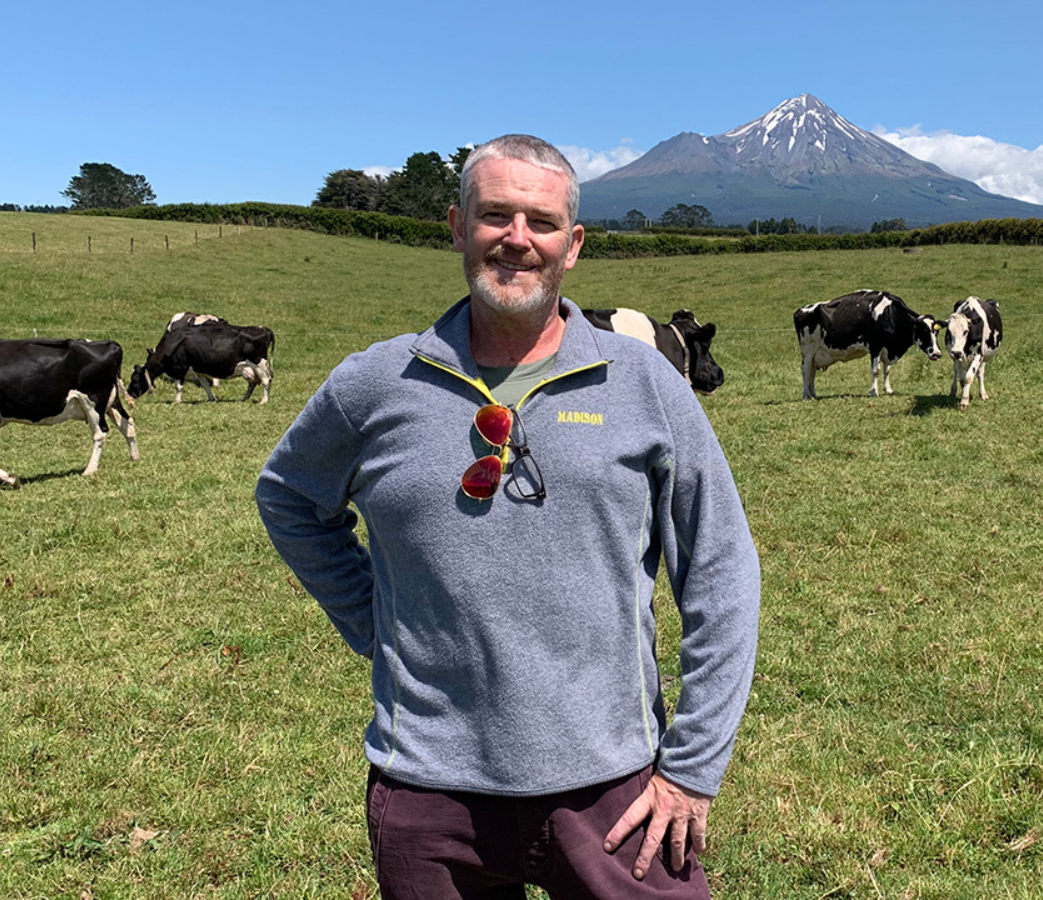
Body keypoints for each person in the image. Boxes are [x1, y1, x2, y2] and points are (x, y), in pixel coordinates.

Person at [255, 133, 760, 899]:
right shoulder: (375, 384)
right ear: (458, 226)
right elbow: (288, 496)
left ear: (573, 244)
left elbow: (722, 568)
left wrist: (692, 770)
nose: (517, 239)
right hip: (431, 793)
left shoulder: (645, 383)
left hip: (616, 788)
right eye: (495, 215)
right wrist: (376, 619)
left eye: (542, 221)